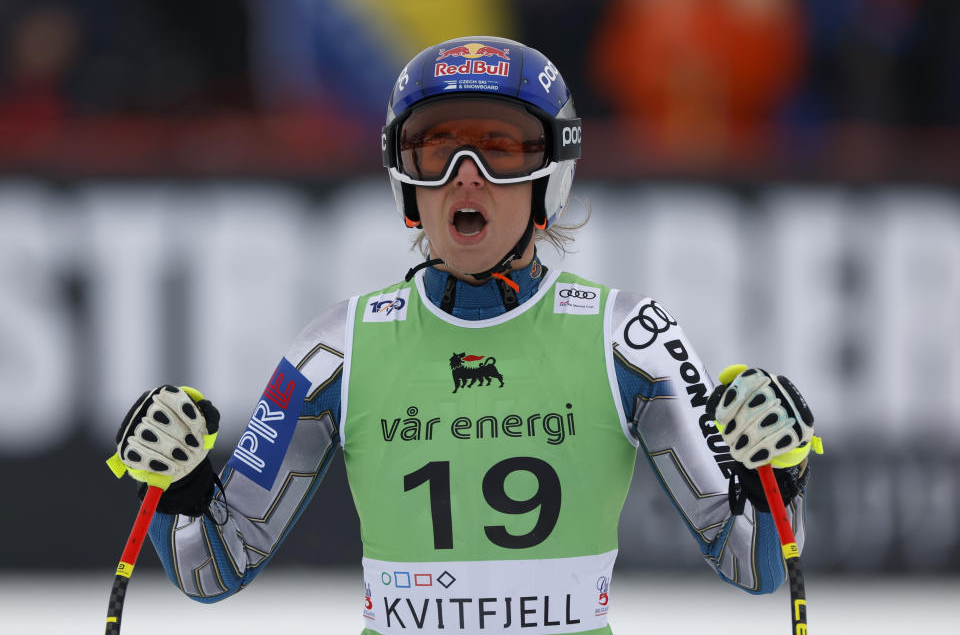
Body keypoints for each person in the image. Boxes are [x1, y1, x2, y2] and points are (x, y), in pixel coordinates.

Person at [108, 36, 820, 634]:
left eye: (501, 150)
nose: (465, 179)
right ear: (405, 179)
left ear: (552, 178)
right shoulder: (334, 349)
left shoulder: (628, 337)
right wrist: (179, 480)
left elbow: (753, 562)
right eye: (434, 149)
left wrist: (777, 473)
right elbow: (215, 566)